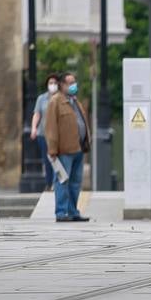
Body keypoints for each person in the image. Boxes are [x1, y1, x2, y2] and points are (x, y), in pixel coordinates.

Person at [43, 72, 90, 222]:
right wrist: (52, 149)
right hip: (64, 150)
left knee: (75, 183)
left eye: (74, 82)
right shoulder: (55, 102)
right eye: (70, 82)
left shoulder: (75, 101)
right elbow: (51, 127)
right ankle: (61, 212)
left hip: (78, 149)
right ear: (62, 85)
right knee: (63, 181)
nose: (73, 85)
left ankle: (72, 211)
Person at [28, 73, 60, 192]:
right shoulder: (42, 98)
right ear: (47, 85)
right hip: (43, 134)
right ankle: (49, 183)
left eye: (55, 83)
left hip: (58, 135)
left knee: (57, 159)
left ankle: (57, 183)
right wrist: (33, 128)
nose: (53, 85)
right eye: (50, 83)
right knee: (47, 160)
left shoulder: (61, 98)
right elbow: (37, 114)